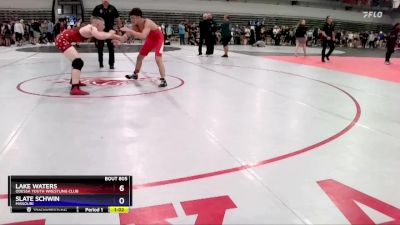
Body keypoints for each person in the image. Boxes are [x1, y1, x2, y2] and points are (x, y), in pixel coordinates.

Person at [55, 17, 122, 95]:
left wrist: (120, 38)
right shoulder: (91, 28)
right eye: (103, 25)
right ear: (97, 24)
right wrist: (111, 34)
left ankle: (74, 80)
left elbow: (104, 34)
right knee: (78, 62)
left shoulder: (92, 28)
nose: (104, 27)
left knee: (76, 61)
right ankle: (74, 88)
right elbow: (100, 36)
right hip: (62, 40)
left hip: (63, 39)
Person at [118, 8, 167, 88]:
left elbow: (143, 36)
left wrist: (130, 31)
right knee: (139, 57)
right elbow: (126, 36)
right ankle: (135, 74)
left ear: (139, 17)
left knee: (158, 58)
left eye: (133, 18)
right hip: (151, 40)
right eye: (131, 18)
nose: (131, 20)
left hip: (158, 39)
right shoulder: (135, 25)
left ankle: (163, 79)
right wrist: (119, 40)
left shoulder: (147, 22)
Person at [92, 0, 120, 69]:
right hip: (100, 31)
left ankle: (111, 64)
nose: (105, 1)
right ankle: (100, 63)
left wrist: (119, 29)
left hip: (110, 31)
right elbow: (92, 18)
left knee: (111, 48)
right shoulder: (97, 8)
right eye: (104, 0)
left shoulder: (113, 8)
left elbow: (118, 19)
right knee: (100, 48)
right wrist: (93, 27)